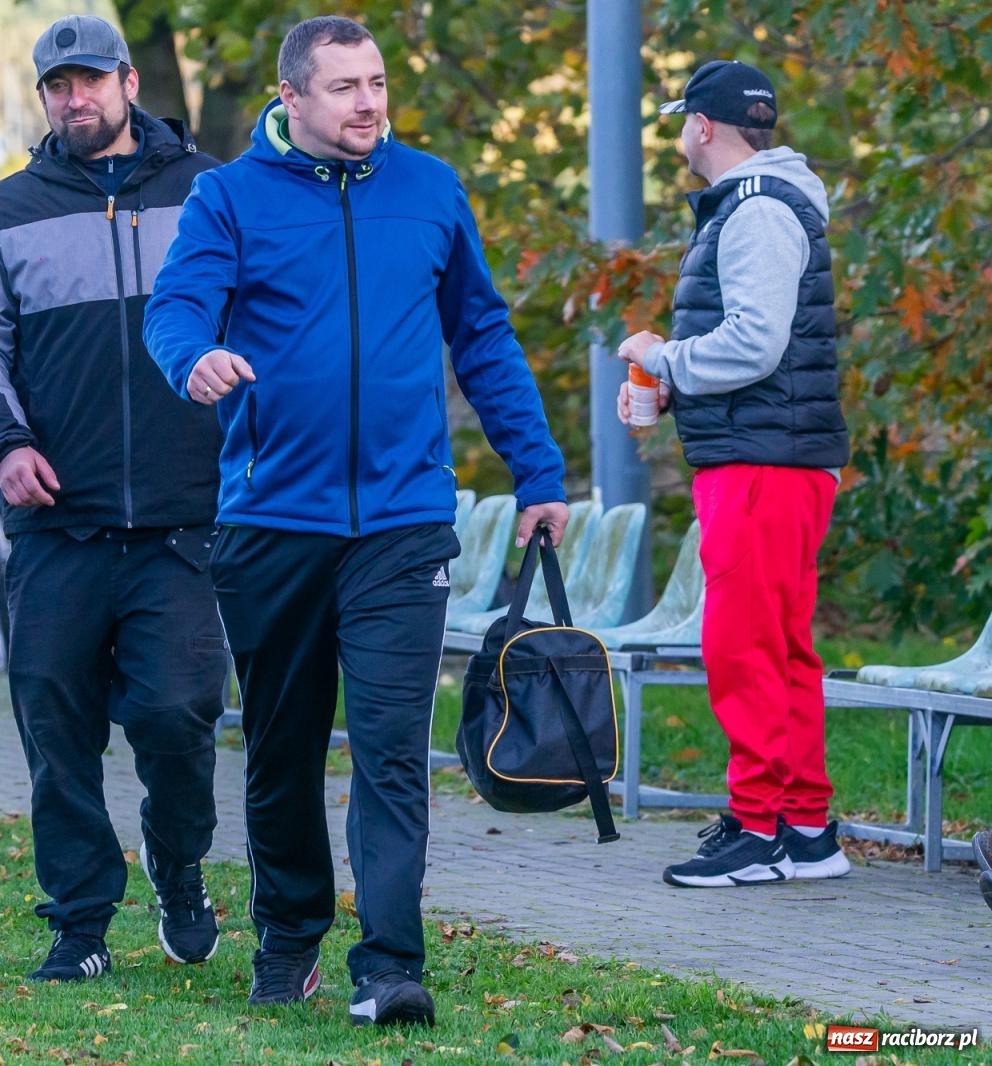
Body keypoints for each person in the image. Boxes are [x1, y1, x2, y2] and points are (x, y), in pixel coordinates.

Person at [144, 16, 568, 1027]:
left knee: (389, 751)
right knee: (283, 749)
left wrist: (539, 471)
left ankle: (388, 966)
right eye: (344, 87)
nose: (368, 102)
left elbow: (481, 334)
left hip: (402, 521)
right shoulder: (229, 196)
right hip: (271, 522)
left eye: (376, 82)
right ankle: (288, 936)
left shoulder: (428, 189)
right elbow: (174, 308)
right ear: (292, 97)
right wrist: (193, 359)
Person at [0, 15, 227, 983]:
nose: (75, 99)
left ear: (128, 82)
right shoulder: (8, 208)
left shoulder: (208, 193)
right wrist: (6, 444)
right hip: (57, 524)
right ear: (43, 97)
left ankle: (179, 866)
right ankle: (79, 923)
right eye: (57, 86)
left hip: (184, 526)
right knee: (55, 730)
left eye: (90, 81)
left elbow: (263, 322)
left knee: (178, 715)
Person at [615, 60, 851, 888]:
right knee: (779, 649)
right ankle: (808, 830)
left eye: (684, 120)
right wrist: (669, 385)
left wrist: (663, 358)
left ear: (704, 126)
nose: (682, 134)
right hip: (774, 455)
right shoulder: (763, 206)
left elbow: (755, 343)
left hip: (762, 462)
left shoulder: (755, 211)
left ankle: (758, 830)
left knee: (743, 647)